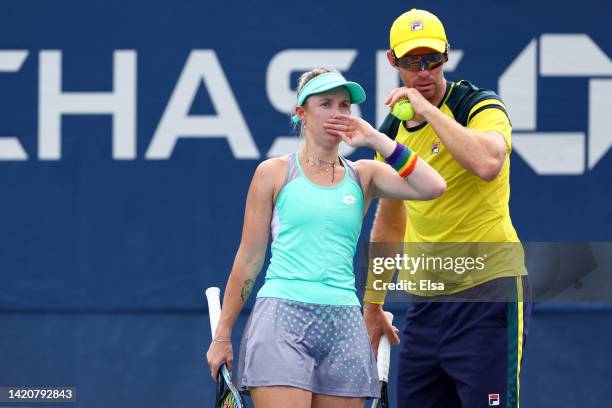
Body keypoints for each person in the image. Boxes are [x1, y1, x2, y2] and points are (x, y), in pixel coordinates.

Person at [206, 67, 446, 408]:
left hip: (344, 323)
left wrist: (376, 138)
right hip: (281, 319)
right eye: (326, 104)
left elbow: (433, 186)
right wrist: (222, 336)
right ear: (301, 113)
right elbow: (249, 258)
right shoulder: (272, 173)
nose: (339, 113)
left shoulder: (365, 175)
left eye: (345, 105)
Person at [363, 8, 531, 408]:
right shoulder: (391, 133)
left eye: (432, 60)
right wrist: (373, 305)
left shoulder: (479, 104)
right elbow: (390, 222)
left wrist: (427, 111)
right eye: (411, 62)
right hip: (426, 304)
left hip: (488, 293)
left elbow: (489, 164)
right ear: (393, 62)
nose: (423, 71)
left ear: (447, 56)